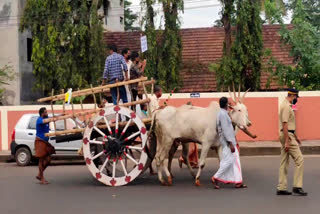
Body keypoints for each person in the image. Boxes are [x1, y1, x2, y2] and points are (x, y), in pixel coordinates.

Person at [277, 89, 307, 196]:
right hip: (287, 136)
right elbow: (285, 124)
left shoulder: (286, 105)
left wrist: (296, 136)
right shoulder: (286, 107)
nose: (296, 100)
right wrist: (287, 141)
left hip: (288, 135)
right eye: (296, 98)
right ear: (292, 95)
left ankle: (281, 187)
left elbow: (289, 125)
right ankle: (297, 186)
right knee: (300, 160)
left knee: (284, 161)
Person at [212, 97, 247, 189]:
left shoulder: (222, 113)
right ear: (225, 104)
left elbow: (219, 127)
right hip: (228, 142)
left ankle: (238, 182)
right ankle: (216, 177)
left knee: (235, 161)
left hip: (228, 141)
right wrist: (230, 143)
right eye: (228, 103)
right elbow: (226, 130)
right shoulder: (223, 115)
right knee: (228, 161)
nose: (229, 104)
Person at [35, 107, 55, 184]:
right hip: (40, 141)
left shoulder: (47, 118)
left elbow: (52, 118)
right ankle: (42, 178)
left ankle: (40, 174)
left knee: (48, 159)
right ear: (42, 113)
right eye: (46, 112)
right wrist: (52, 119)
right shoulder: (39, 119)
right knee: (41, 160)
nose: (47, 113)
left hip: (45, 142)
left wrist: (60, 116)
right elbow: (45, 121)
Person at [178, 101, 198, 169]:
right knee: (192, 149)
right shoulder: (186, 115)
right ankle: (181, 158)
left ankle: (193, 163)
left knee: (194, 148)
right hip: (188, 134)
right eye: (191, 106)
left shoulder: (189, 114)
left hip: (192, 133)